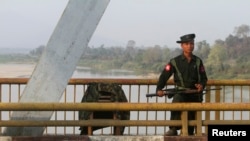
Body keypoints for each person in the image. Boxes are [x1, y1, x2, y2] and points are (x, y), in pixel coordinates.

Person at [156, 33, 208, 136]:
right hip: (181, 92)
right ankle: (173, 128)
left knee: (190, 125)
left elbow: (204, 78)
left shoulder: (198, 61)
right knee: (177, 99)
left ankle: (190, 131)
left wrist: (201, 85)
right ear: (182, 46)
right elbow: (164, 76)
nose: (190, 46)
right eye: (187, 44)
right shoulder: (175, 62)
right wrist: (159, 89)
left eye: (192, 44)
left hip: (194, 94)